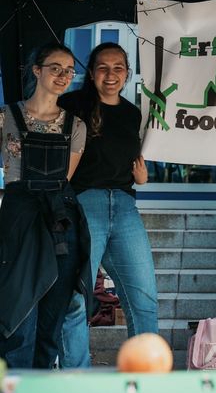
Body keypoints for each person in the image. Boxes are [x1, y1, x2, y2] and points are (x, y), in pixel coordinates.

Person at [58, 42, 158, 368]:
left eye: (118, 68)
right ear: (91, 72)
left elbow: (129, 160)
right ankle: (76, 376)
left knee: (144, 298)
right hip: (84, 204)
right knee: (74, 298)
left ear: (127, 73)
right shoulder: (72, 105)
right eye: (103, 67)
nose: (110, 74)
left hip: (125, 207)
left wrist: (141, 177)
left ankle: (147, 373)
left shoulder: (132, 113)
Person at [0, 43, 91, 368]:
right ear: (37, 70)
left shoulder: (76, 126)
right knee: (17, 315)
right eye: (56, 68)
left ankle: (38, 390)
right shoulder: (5, 118)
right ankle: (13, 392)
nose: (64, 75)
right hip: (18, 224)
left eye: (69, 70)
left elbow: (63, 181)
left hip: (60, 225)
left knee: (52, 319)